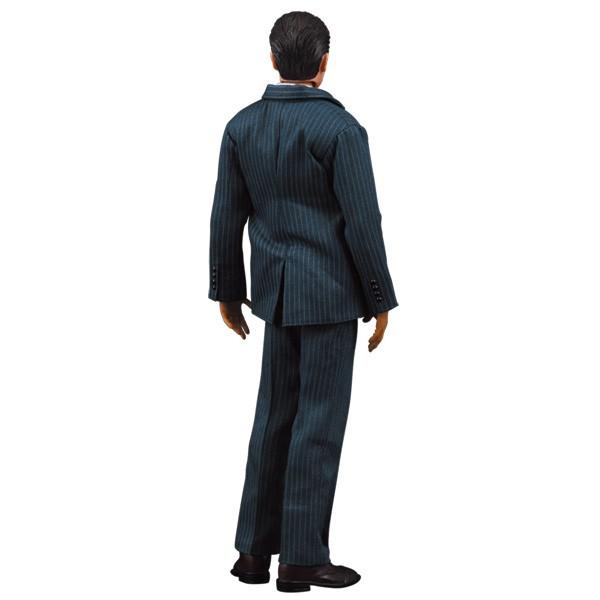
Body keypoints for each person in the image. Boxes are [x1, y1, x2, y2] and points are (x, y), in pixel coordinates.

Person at [208, 10, 398, 593]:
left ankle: (253, 553)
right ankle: (300, 559)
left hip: (274, 294)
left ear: (272, 59)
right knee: (318, 424)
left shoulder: (242, 126)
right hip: (332, 297)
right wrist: (380, 297)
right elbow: (363, 223)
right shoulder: (340, 130)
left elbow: (225, 216)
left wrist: (228, 292)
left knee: (273, 418)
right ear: (324, 62)